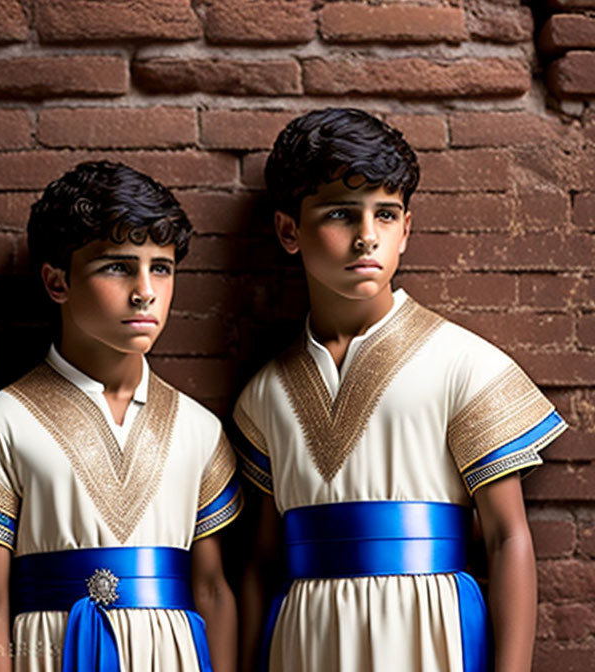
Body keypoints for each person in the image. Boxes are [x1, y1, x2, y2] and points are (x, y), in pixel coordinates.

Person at [233, 108, 566, 672]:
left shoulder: (464, 365)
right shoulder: (264, 395)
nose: (367, 236)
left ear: (406, 229)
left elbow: (509, 539)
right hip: (303, 641)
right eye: (341, 213)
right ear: (289, 230)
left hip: (429, 635)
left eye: (385, 214)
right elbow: (263, 564)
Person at [0, 161, 241, 672]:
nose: (145, 291)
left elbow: (212, 589)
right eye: (117, 266)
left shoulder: (199, 430)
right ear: (56, 282)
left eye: (161, 267)